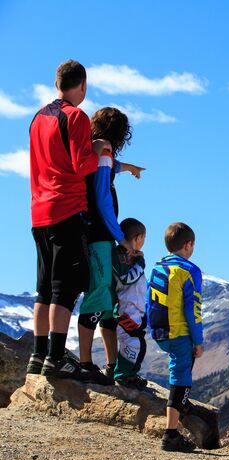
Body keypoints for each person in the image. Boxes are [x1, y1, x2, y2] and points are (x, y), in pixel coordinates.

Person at [27, 60, 112, 378]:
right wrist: (99, 149)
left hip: (39, 212)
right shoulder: (76, 116)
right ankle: (56, 357)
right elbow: (80, 165)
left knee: (44, 288)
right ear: (83, 85)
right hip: (66, 209)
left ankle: (38, 356)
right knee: (65, 288)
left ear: (56, 83)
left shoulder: (37, 119)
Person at [76, 107, 144, 384]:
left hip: (96, 232)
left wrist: (128, 168)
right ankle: (86, 363)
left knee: (106, 301)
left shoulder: (96, 150)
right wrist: (121, 237)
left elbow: (109, 167)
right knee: (98, 296)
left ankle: (110, 363)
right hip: (99, 233)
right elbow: (102, 197)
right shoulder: (104, 151)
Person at [146, 222, 204, 452]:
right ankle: (171, 434)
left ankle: (180, 406)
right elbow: (193, 309)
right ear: (188, 245)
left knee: (177, 371)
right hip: (180, 333)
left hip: (160, 331)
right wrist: (198, 341)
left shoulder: (157, 267)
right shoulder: (189, 270)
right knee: (180, 378)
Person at [112, 218, 149, 388]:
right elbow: (126, 279)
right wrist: (140, 263)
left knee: (138, 343)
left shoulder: (130, 256)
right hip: (125, 309)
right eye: (143, 239)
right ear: (137, 237)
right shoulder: (120, 255)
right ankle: (122, 375)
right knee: (131, 342)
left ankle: (131, 374)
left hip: (136, 309)